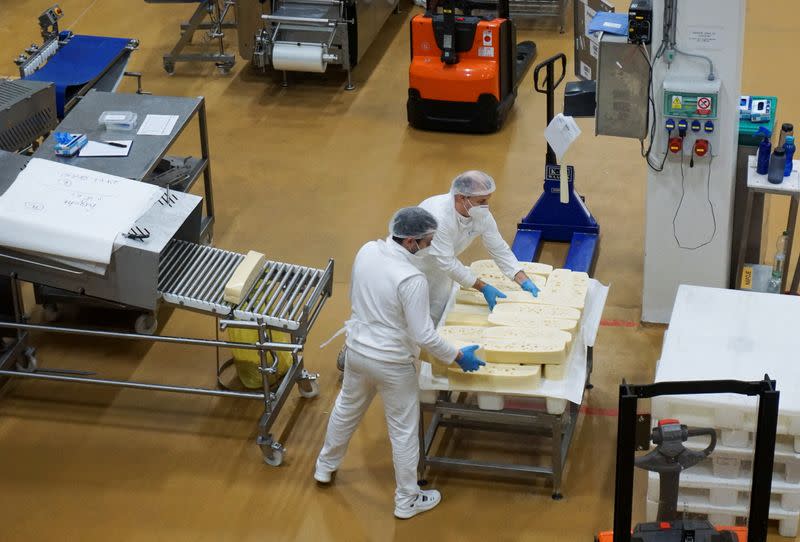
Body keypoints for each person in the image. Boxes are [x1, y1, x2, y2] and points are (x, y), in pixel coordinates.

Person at [315, 207, 485, 519]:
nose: (430, 247)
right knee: (403, 431)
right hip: (392, 363)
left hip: (356, 350)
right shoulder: (411, 278)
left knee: (346, 409)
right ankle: (407, 500)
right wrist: (459, 357)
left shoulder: (367, 250)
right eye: (427, 241)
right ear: (410, 242)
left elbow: (356, 295)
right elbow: (425, 336)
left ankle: (325, 467)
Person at [418, 170, 540, 324]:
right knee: (410, 319)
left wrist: (521, 278)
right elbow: (447, 262)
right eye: (481, 201)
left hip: (442, 269)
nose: (486, 206)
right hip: (417, 265)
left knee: (437, 316)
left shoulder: (479, 215)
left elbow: (498, 247)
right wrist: (482, 287)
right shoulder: (438, 217)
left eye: (487, 200)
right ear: (461, 197)